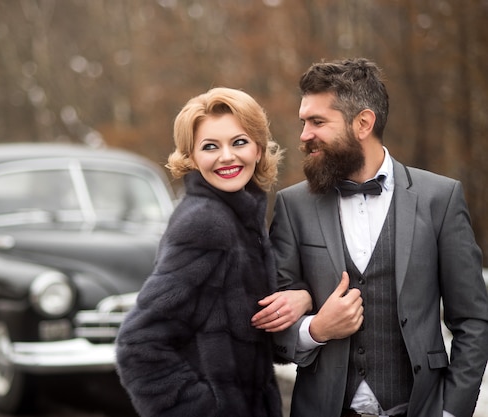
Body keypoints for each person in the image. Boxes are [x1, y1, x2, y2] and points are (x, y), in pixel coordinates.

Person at [251, 58, 488, 417]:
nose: (303, 134)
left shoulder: (440, 199)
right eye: (304, 122)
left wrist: (452, 411)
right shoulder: (292, 205)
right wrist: (315, 329)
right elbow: (273, 329)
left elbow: (472, 320)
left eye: (317, 122)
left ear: (363, 123)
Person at [115, 87, 312, 417]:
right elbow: (138, 345)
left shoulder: (239, 215)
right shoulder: (206, 223)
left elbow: (251, 328)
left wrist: (302, 297)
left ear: (259, 149)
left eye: (239, 142)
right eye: (210, 147)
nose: (227, 156)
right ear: (191, 158)